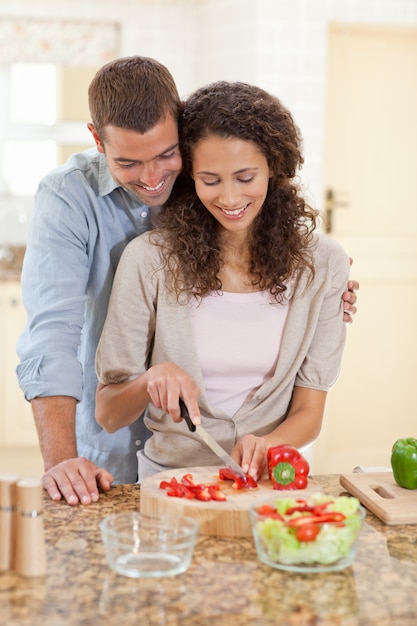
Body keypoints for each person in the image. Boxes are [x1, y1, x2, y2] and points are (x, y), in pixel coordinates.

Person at [16, 56, 358, 506]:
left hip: (258, 486)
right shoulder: (76, 203)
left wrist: (325, 283)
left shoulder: (214, 178)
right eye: (129, 163)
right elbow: (53, 337)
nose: (154, 178)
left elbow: (308, 403)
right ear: (97, 140)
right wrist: (62, 460)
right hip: (127, 456)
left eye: (165, 156)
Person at [95, 80, 351, 483]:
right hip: (171, 482)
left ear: (274, 167)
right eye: (210, 180)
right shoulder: (150, 260)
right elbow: (108, 414)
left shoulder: (323, 264)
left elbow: (309, 414)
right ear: (190, 176)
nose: (230, 199)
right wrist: (149, 381)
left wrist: (270, 443)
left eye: (245, 177)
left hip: (272, 481)